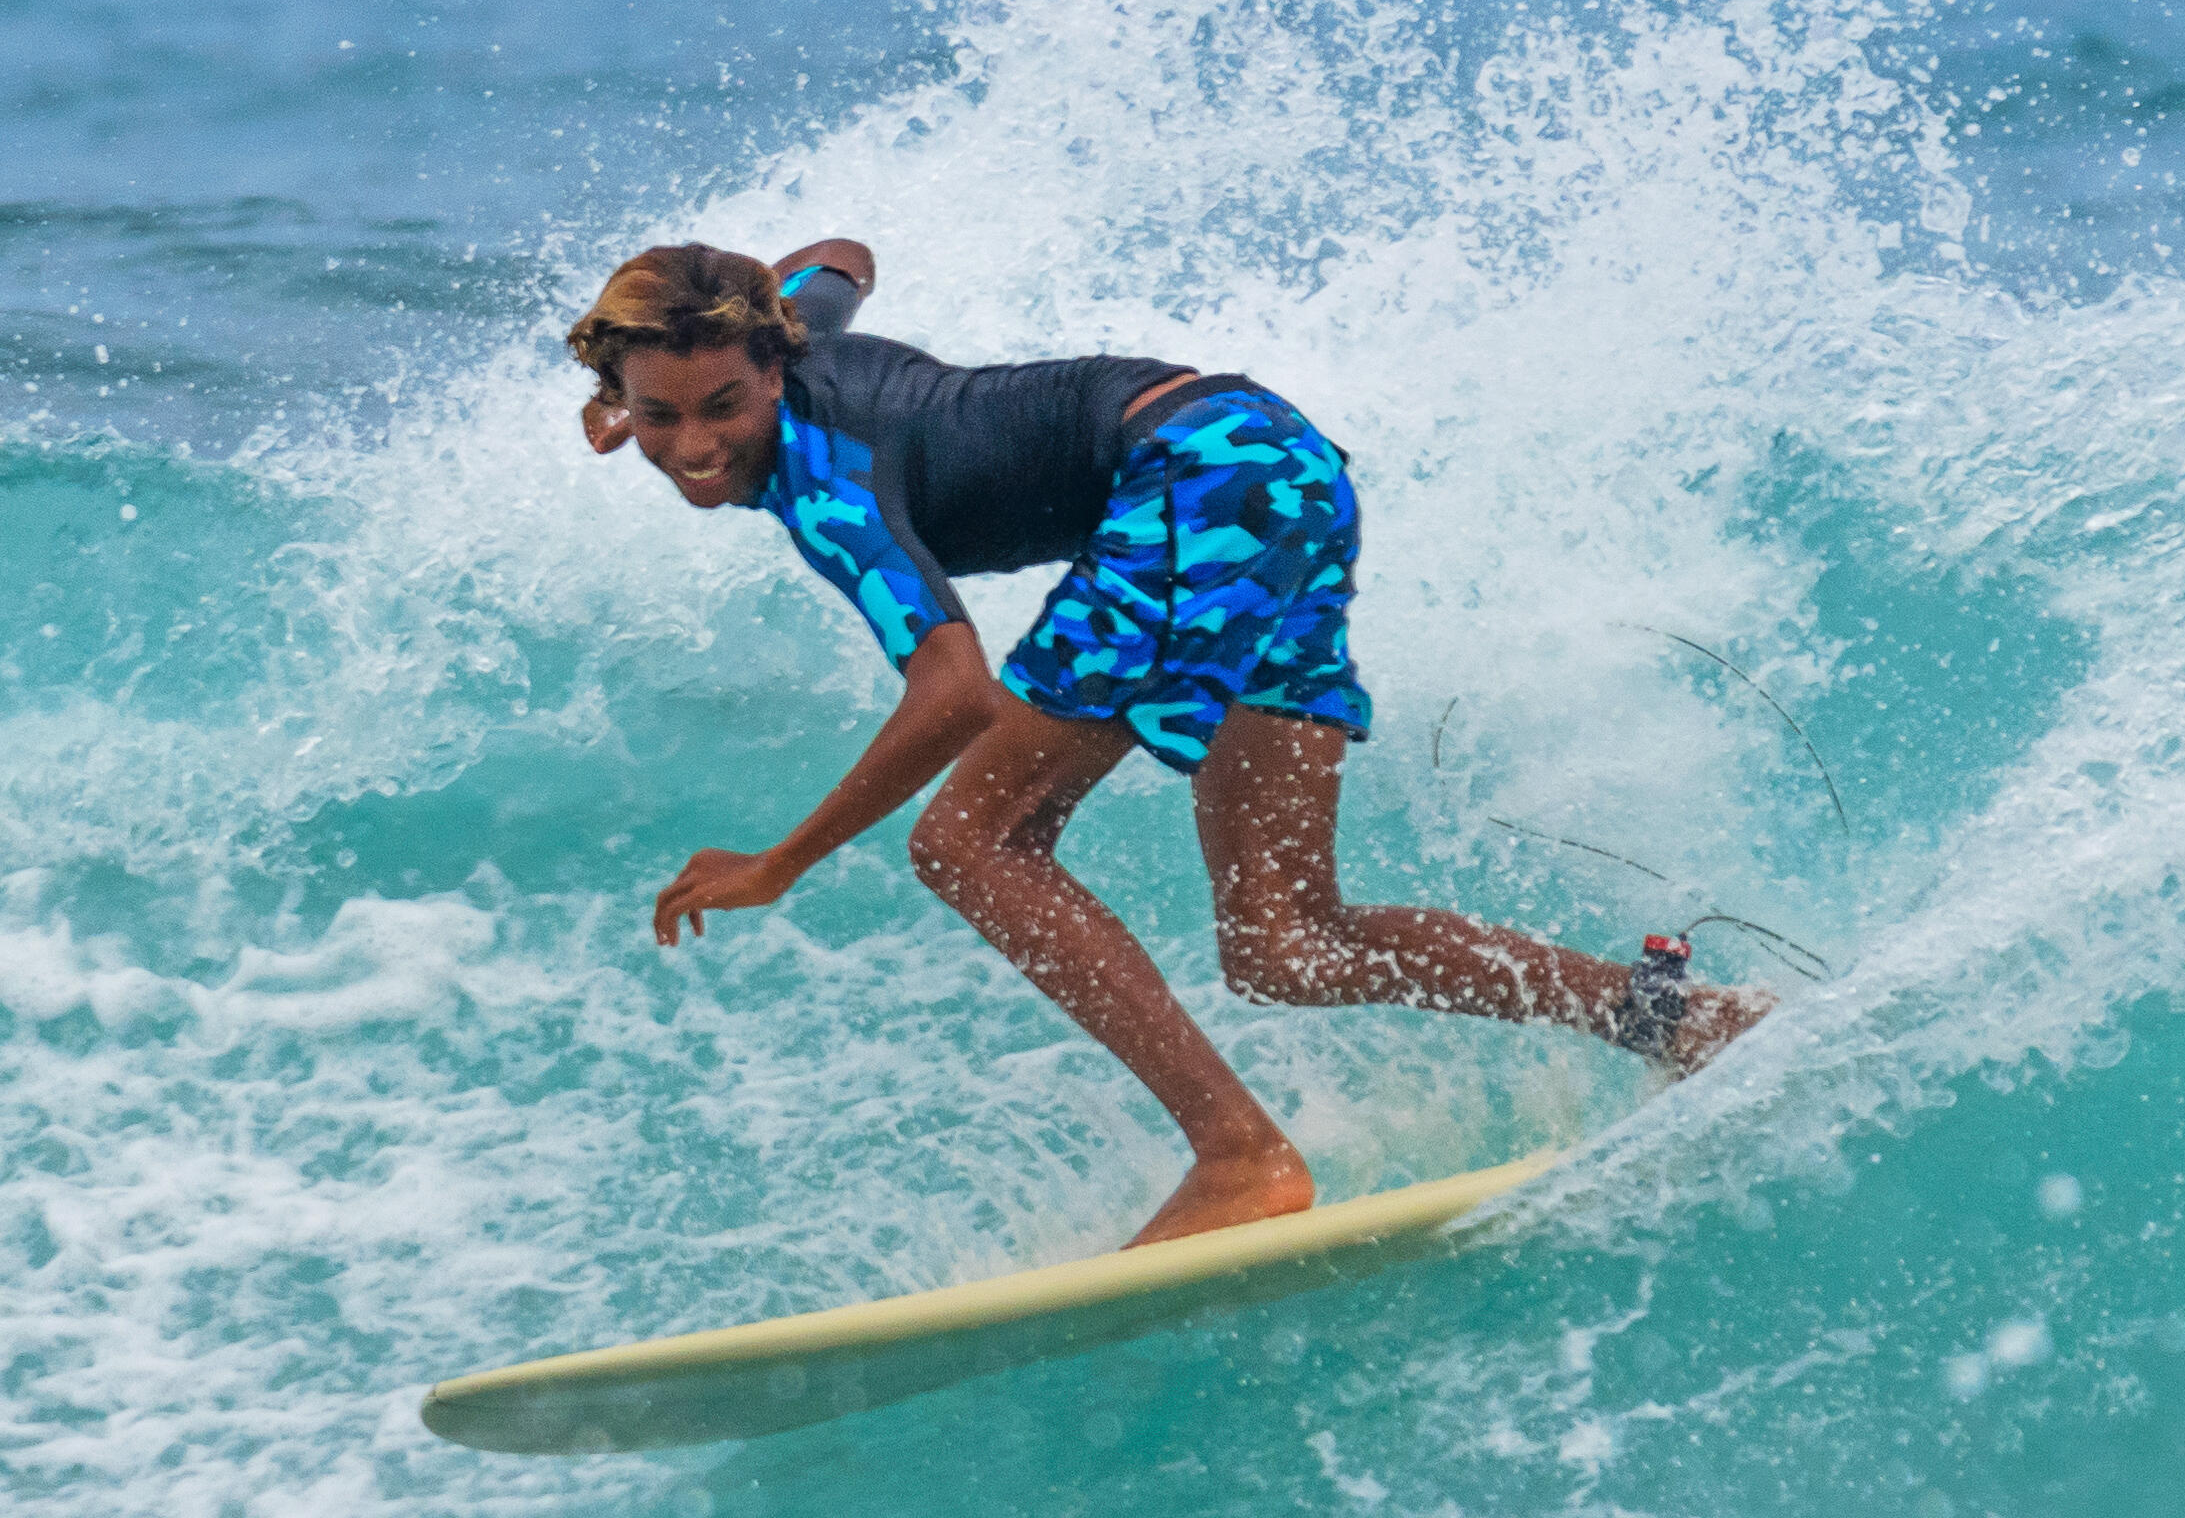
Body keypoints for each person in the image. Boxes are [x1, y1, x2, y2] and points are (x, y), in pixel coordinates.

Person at [567, 238, 1770, 1244]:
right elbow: (840, 258)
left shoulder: (828, 487)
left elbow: (953, 692)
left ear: (777, 365)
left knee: (968, 844)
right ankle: (1685, 1021)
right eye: (657, 415)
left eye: (724, 404)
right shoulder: (787, 325)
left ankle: (1239, 1156)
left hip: (1194, 480)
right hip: (1280, 466)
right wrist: (654, 389)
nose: (693, 445)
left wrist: (782, 861)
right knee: (1284, 942)